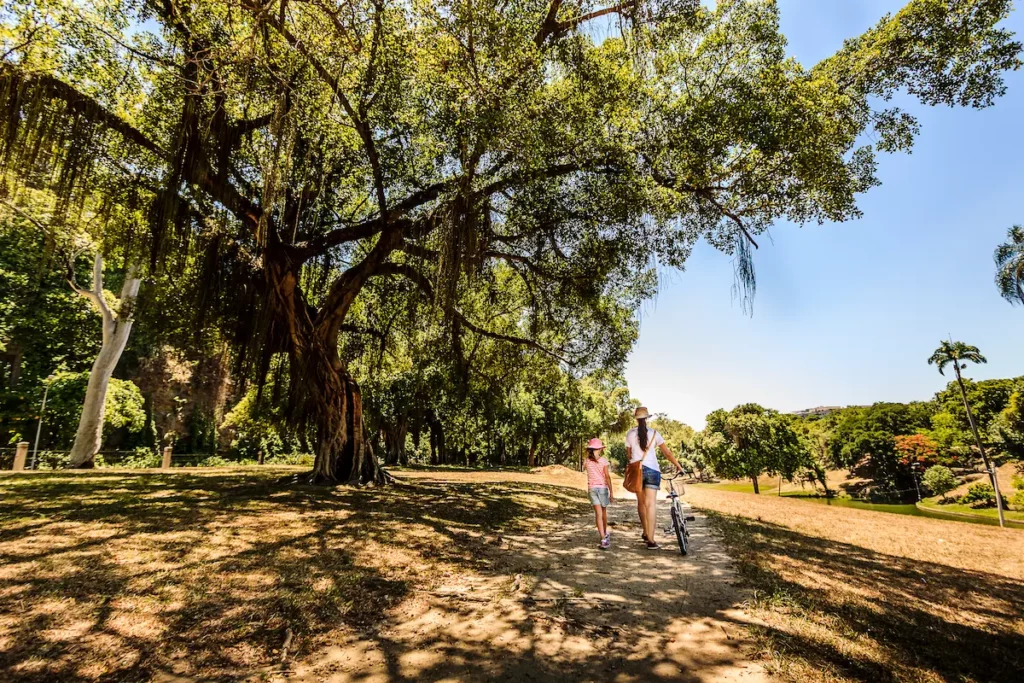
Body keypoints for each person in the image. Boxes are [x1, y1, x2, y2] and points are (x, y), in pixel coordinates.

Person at [626, 406, 684, 549]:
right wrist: (678, 465)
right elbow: (667, 453)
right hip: (652, 470)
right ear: (647, 418)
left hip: (637, 470)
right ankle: (651, 540)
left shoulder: (630, 434)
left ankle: (645, 532)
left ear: (636, 419)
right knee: (651, 504)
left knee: (641, 503)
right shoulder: (654, 434)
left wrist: (635, 461)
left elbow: (628, 454)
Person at [584, 437, 614, 550]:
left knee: (598, 514)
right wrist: (611, 492)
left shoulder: (587, 461)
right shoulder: (604, 461)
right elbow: (607, 477)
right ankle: (605, 533)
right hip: (602, 488)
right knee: (603, 512)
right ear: (600, 449)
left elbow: (585, 468)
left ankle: (603, 538)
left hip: (592, 489)